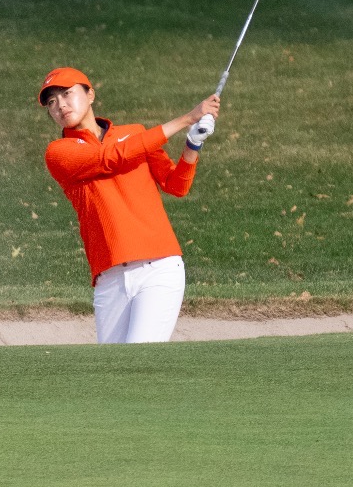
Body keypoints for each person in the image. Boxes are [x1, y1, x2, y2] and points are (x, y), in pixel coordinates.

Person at [40, 66, 220, 344]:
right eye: (52, 102)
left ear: (90, 95)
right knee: (114, 374)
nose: (61, 105)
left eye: (67, 94)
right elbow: (110, 158)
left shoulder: (135, 134)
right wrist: (186, 118)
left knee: (138, 360)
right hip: (109, 279)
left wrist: (192, 145)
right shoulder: (59, 153)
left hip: (158, 268)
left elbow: (176, 185)